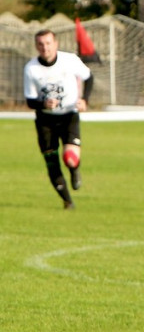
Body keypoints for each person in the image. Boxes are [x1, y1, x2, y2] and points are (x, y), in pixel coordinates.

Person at [24, 29, 94, 209]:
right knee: (51, 161)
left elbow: (89, 77)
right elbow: (30, 101)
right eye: (40, 44)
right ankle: (67, 201)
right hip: (45, 121)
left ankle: (74, 170)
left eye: (48, 43)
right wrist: (43, 104)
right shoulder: (31, 69)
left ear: (55, 44)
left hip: (69, 116)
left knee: (70, 158)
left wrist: (84, 99)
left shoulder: (69, 60)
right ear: (36, 46)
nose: (44, 48)